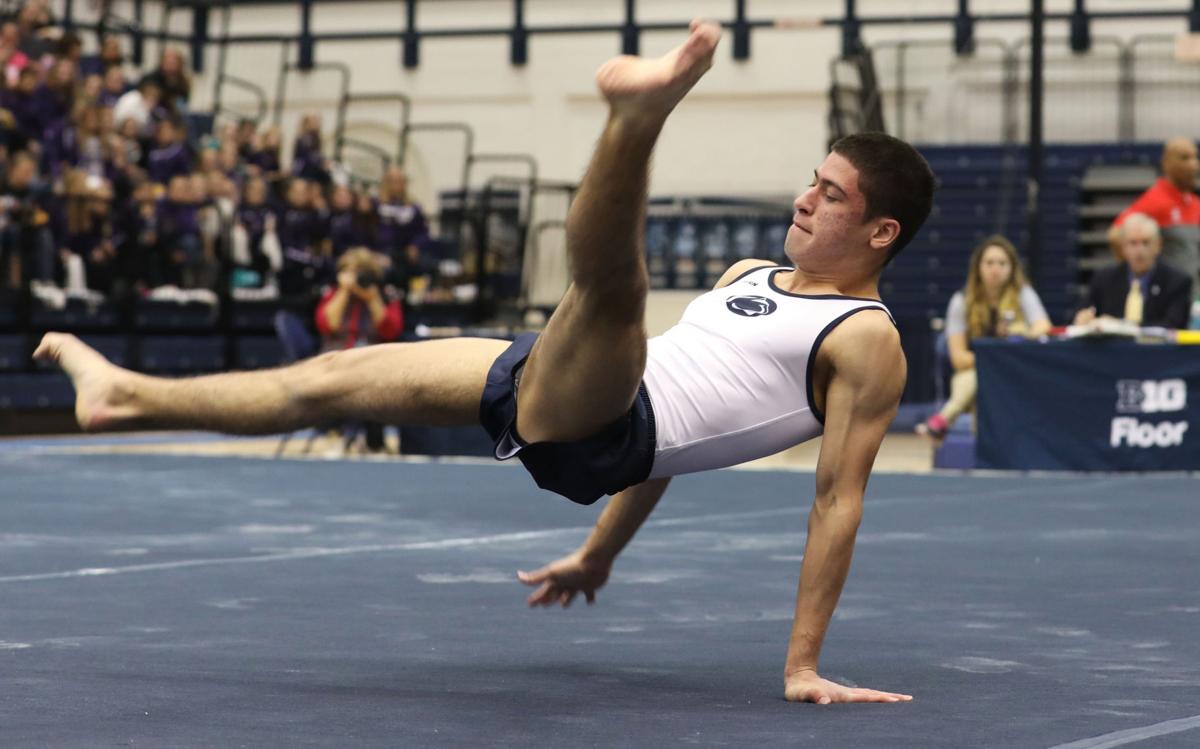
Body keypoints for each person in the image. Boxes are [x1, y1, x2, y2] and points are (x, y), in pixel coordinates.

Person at [34, 21, 932, 705]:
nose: (803, 198)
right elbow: (680, 446)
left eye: (831, 194)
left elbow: (834, 500)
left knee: (611, 291)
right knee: (337, 380)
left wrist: (803, 663)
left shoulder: (865, 339)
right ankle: (126, 393)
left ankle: (637, 122)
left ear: (881, 231)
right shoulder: (752, 273)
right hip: (582, 392)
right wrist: (596, 555)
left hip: (611, 425)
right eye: (812, 180)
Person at [916, 235, 1051, 444]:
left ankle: (943, 419)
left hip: (1015, 372)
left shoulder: (1023, 294)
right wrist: (992, 359)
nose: (995, 269)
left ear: (1012, 268)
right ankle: (975, 445)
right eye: (989, 263)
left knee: (979, 381)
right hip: (976, 371)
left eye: (1002, 263)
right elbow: (959, 358)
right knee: (975, 379)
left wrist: (1022, 331)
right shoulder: (961, 301)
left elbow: (1044, 328)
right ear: (978, 267)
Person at [315, 247, 403, 452]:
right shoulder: (333, 293)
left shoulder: (384, 294)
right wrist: (345, 291)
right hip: (337, 359)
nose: (355, 279)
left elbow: (391, 330)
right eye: (350, 272)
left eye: (360, 273)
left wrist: (372, 298)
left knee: (373, 381)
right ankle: (338, 433)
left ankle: (373, 442)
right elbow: (327, 325)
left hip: (374, 362)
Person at [1076, 212, 1192, 330]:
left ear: (1158, 245)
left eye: (1145, 242)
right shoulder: (1104, 279)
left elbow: (1174, 325)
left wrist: (1121, 326)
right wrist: (1082, 318)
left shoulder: (1177, 281)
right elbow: (1078, 314)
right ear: (1123, 247)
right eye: (1133, 243)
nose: (1139, 250)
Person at [1109, 137, 1200, 286]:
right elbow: (1115, 235)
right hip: (1166, 295)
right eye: (1185, 158)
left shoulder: (1195, 203)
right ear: (1167, 163)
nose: (1194, 164)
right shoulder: (1156, 200)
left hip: (1194, 295)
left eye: (1195, 157)